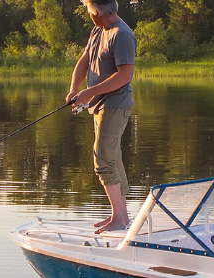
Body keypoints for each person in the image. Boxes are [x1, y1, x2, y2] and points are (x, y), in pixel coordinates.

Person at [67, 0, 136, 234]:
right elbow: (85, 60)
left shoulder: (122, 35)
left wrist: (89, 92)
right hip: (98, 106)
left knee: (103, 160)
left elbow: (124, 76)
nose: (87, 14)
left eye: (88, 10)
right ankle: (122, 216)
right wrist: (74, 89)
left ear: (97, 11)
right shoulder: (98, 30)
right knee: (113, 158)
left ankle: (119, 218)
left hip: (115, 105)